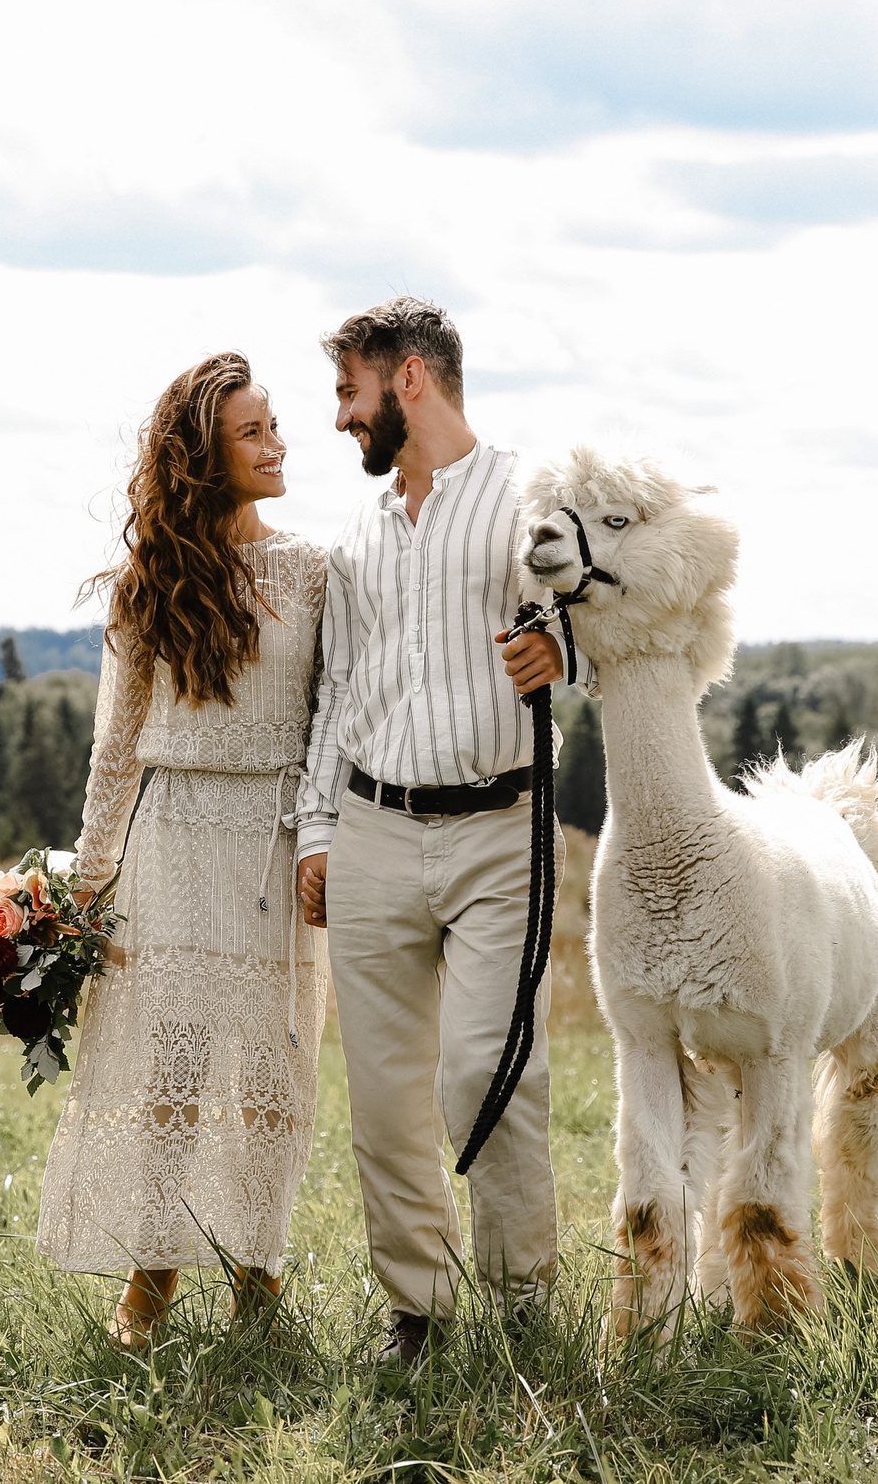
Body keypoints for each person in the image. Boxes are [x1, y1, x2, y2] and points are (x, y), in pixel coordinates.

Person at [292, 297, 580, 1364]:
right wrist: (315, 830)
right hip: (370, 828)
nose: (337, 419)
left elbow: (578, 625)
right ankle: (417, 1312)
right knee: (381, 1089)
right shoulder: (359, 534)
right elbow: (338, 690)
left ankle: (519, 1305)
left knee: (485, 1066)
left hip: (502, 827)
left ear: (407, 379)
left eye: (346, 392)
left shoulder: (524, 499)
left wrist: (563, 658)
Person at [36, 352, 330, 1347]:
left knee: (270, 1077)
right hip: (173, 841)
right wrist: (86, 884)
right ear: (206, 454)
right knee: (172, 1071)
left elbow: (336, 717)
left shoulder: (315, 569)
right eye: (253, 431)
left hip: (280, 843)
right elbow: (114, 747)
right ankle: (149, 1282)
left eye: (275, 423)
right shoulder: (147, 582)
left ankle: (259, 1280)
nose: (276, 442)